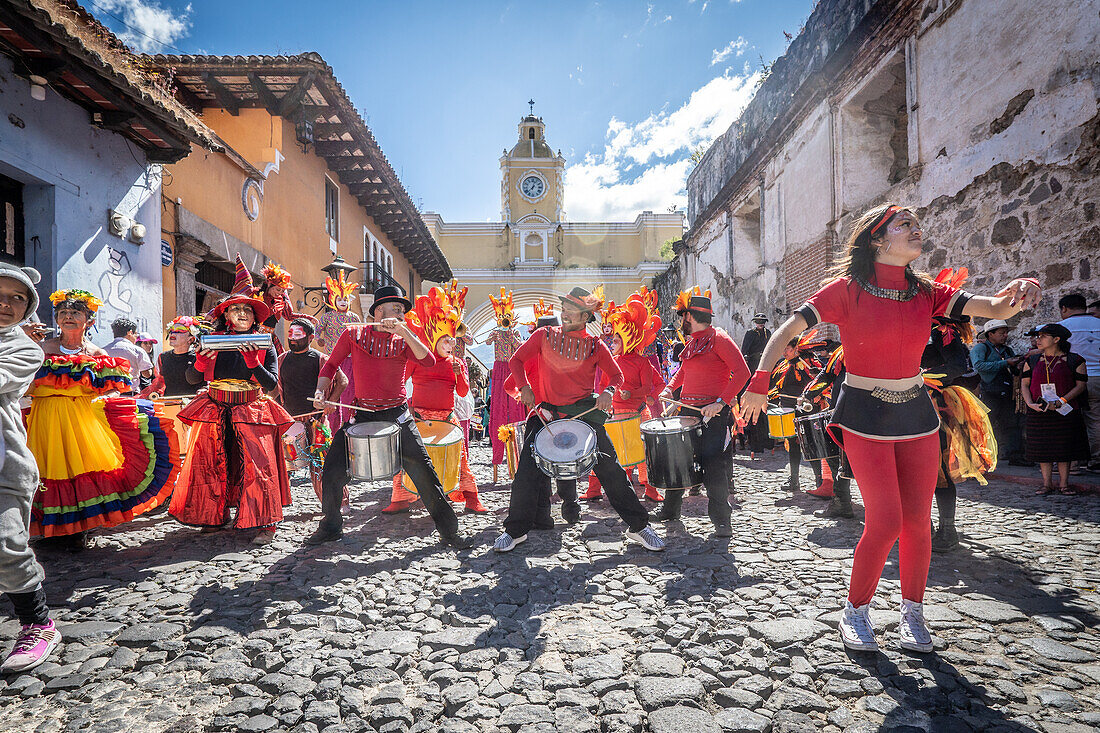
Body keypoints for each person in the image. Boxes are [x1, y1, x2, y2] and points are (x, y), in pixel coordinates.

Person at [741, 203, 1041, 654]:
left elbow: (995, 306)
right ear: (878, 239)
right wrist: (759, 381)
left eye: (917, 223)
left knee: (919, 520)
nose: (917, 230)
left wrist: (1022, 288)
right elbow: (786, 330)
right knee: (885, 519)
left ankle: (912, 613)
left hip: (916, 414)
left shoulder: (927, 291)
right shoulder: (845, 290)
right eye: (905, 225)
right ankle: (855, 611)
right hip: (864, 413)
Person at [494, 287, 665, 552]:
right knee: (526, 473)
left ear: (585, 317)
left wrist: (608, 391)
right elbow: (516, 361)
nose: (565, 314)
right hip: (546, 414)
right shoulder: (543, 335)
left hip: (584, 415)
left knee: (612, 472)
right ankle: (515, 531)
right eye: (563, 309)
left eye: (571, 311)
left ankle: (640, 527)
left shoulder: (596, 346)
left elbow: (617, 376)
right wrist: (525, 387)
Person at [306, 285, 471, 549]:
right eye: (396, 308)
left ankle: (450, 532)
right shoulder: (353, 333)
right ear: (378, 311)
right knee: (333, 470)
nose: (401, 313)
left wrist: (405, 331)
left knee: (425, 473)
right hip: (361, 413)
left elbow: (428, 361)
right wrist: (319, 390)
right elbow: (330, 365)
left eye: (403, 310)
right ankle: (331, 526)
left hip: (398, 415)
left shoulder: (405, 338)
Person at [29, 290, 179, 551]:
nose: (68, 317)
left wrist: (106, 401)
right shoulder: (43, 349)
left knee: (80, 469)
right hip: (47, 416)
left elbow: (113, 387)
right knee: (49, 468)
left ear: (88, 320)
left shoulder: (97, 353)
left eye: (75, 313)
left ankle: (79, 527)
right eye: (63, 313)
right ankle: (51, 529)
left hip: (83, 420)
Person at [169, 269, 293, 546]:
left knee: (258, 464)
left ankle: (264, 521)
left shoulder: (264, 344)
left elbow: (271, 383)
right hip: (215, 408)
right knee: (211, 462)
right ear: (225, 315)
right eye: (235, 309)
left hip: (250, 408)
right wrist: (200, 363)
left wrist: (254, 364)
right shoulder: (210, 341)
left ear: (254, 317)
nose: (241, 313)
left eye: (247, 310)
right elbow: (190, 378)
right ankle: (214, 514)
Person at [0, 264, 60, 673]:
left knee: (6, 543)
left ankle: (37, 623)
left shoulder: (23, 348)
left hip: (4, 464)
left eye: (17, 297)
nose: (6, 304)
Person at [383, 287, 487, 515]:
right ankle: (400, 500)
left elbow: (462, 392)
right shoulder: (419, 358)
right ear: (435, 337)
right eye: (446, 340)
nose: (450, 345)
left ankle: (471, 498)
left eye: (452, 341)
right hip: (419, 416)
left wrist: (460, 373)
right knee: (407, 460)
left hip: (448, 418)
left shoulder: (457, 362)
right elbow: (401, 379)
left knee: (460, 462)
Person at [655, 288, 750, 537]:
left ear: (690, 316)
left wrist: (721, 402)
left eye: (681, 316)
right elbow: (683, 373)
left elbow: (742, 372)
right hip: (687, 412)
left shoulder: (719, 338)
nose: (679, 321)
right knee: (677, 460)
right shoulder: (692, 343)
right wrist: (669, 390)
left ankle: (722, 520)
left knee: (714, 466)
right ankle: (670, 510)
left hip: (712, 416)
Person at [920, 271, 992, 551]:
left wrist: (921, 377)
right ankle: (921, 527)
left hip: (937, 404)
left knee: (939, 470)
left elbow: (956, 367)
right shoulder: (919, 327)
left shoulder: (941, 330)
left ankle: (947, 531)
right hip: (912, 400)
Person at [582, 291, 666, 504]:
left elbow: (650, 386)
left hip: (637, 415)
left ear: (628, 338)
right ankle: (594, 489)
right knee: (604, 452)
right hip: (613, 415)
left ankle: (651, 490)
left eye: (617, 338)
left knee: (643, 455)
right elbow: (602, 385)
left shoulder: (642, 362)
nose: (613, 341)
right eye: (613, 337)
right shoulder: (610, 361)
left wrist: (636, 394)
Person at [278, 318, 346, 504]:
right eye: (290, 334)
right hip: (291, 421)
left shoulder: (322, 359)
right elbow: (275, 388)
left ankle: (339, 502)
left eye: (298, 335)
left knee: (322, 465)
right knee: (284, 465)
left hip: (316, 421)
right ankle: (280, 503)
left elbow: (343, 381)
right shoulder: (281, 359)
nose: (292, 339)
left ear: (311, 337)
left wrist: (331, 401)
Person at [1021, 323, 1090, 493]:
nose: (1038, 340)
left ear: (1056, 339)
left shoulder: (1075, 360)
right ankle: (1046, 484)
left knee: (1063, 449)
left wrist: (1061, 401)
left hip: (1065, 410)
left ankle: (1064, 484)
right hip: (1039, 410)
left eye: (1043, 336)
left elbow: (1080, 386)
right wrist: (1030, 403)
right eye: (1038, 336)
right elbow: (1024, 384)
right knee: (1043, 449)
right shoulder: (1032, 360)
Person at [770, 330, 830, 495]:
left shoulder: (808, 363)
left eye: (787, 349)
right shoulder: (785, 364)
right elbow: (779, 386)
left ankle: (820, 481)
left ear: (796, 349)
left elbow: (822, 381)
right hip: (789, 410)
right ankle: (794, 480)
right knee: (793, 446)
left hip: (806, 411)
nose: (784, 353)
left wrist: (818, 395)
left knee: (812, 445)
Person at [483, 289, 527, 484]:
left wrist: (510, 332)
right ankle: (496, 460)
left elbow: (520, 345)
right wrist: (498, 331)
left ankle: (519, 462)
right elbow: (485, 341)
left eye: (507, 317)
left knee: (516, 410)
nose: (504, 320)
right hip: (499, 368)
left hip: (512, 368)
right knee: (498, 411)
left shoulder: (515, 332)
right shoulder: (496, 331)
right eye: (502, 317)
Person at [971, 319, 1028, 466]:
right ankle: (979, 459)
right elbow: (979, 366)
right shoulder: (981, 348)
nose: (1005, 336)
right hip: (989, 391)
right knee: (985, 425)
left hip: (1006, 390)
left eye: (1006, 333)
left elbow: (1013, 370)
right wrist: (1005, 363)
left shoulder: (1007, 350)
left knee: (1011, 424)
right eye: (1002, 333)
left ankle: (1014, 456)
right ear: (991, 334)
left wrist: (1017, 365)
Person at [316, 269, 361, 433]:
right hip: (331, 360)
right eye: (339, 299)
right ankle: (331, 424)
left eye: (345, 299)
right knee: (332, 391)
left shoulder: (354, 317)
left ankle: (350, 421)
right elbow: (317, 330)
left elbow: (360, 334)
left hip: (350, 359)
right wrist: (318, 339)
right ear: (333, 300)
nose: (342, 301)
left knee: (350, 391)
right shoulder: (327, 317)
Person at [1058, 293, 1100, 470]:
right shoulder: (1098, 323)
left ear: (1064, 309)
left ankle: (1074, 461)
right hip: (1098, 376)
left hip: (1073, 379)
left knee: (1070, 419)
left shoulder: (1060, 328)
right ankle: (1097, 460)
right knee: (1095, 420)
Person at [258, 261, 318, 355]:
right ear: (269, 284)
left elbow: (289, 316)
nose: (279, 293)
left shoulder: (282, 301)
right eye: (278, 289)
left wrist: (308, 318)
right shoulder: (256, 295)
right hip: (254, 336)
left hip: (269, 337)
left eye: (282, 291)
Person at [142, 316, 208, 398]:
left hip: (194, 405)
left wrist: (204, 389)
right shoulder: (163, 357)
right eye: (171, 330)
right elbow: (159, 383)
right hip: (169, 404)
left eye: (179, 330)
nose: (172, 333)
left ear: (190, 339)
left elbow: (208, 382)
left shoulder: (199, 357)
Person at [740, 313, 775, 457]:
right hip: (754, 366)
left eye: (762, 322)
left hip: (766, 366)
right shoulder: (750, 333)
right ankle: (755, 444)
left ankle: (769, 442)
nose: (760, 324)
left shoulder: (768, 333)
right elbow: (744, 351)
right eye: (758, 322)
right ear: (755, 322)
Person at [103, 317, 153, 394]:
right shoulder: (137, 350)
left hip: (108, 396)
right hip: (130, 395)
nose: (136, 337)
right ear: (129, 333)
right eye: (135, 334)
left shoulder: (103, 350)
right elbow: (147, 374)